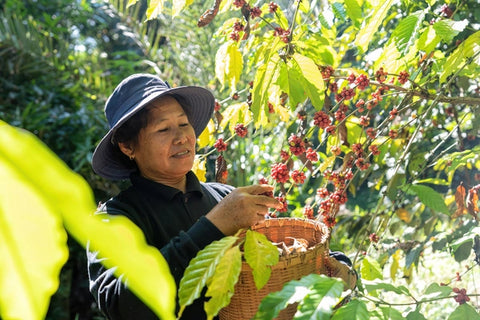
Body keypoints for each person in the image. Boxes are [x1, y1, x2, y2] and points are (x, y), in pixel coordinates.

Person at [87, 73, 356, 320]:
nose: (181, 137)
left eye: (183, 123)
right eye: (163, 129)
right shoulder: (115, 220)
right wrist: (213, 226)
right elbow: (121, 304)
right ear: (127, 146)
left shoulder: (225, 196)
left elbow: (284, 258)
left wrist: (336, 267)